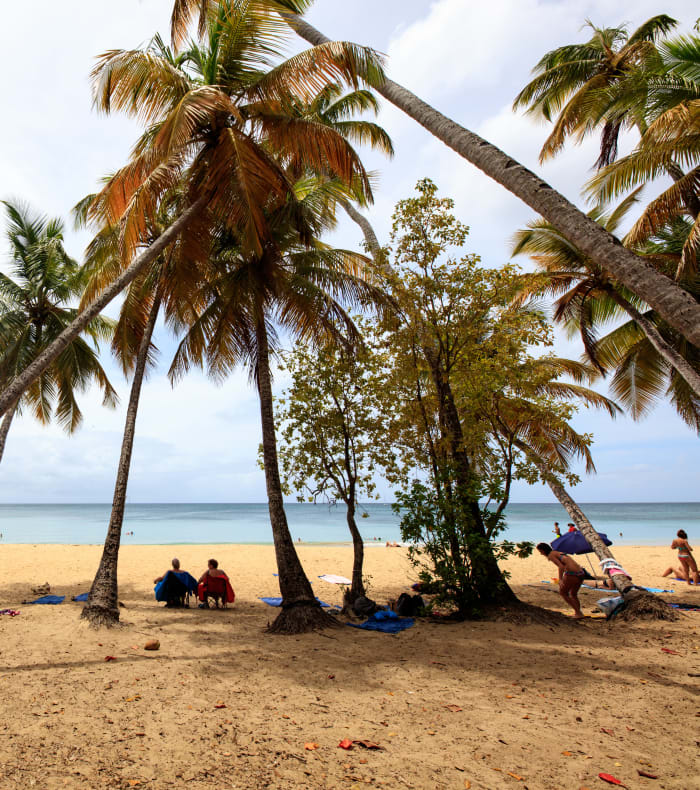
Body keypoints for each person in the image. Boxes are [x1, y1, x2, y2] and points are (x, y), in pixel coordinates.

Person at [536, 542, 585, 619]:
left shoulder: (551, 555)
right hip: (581, 573)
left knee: (563, 593)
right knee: (573, 594)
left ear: (543, 550)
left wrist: (560, 579)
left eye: (540, 552)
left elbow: (561, 566)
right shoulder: (557, 552)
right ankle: (578, 612)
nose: (541, 554)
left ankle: (578, 613)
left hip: (572, 574)